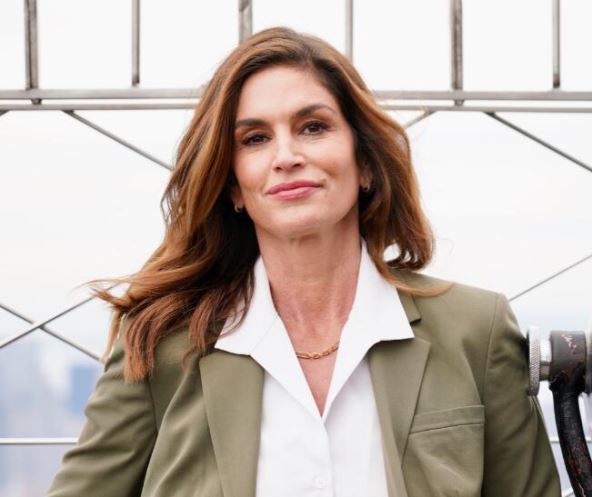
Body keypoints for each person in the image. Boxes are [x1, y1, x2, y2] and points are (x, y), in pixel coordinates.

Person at [47, 26, 560, 497]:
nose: (286, 156)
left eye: (313, 127)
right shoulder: (161, 341)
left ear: (364, 161)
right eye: (255, 139)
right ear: (233, 186)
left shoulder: (476, 329)